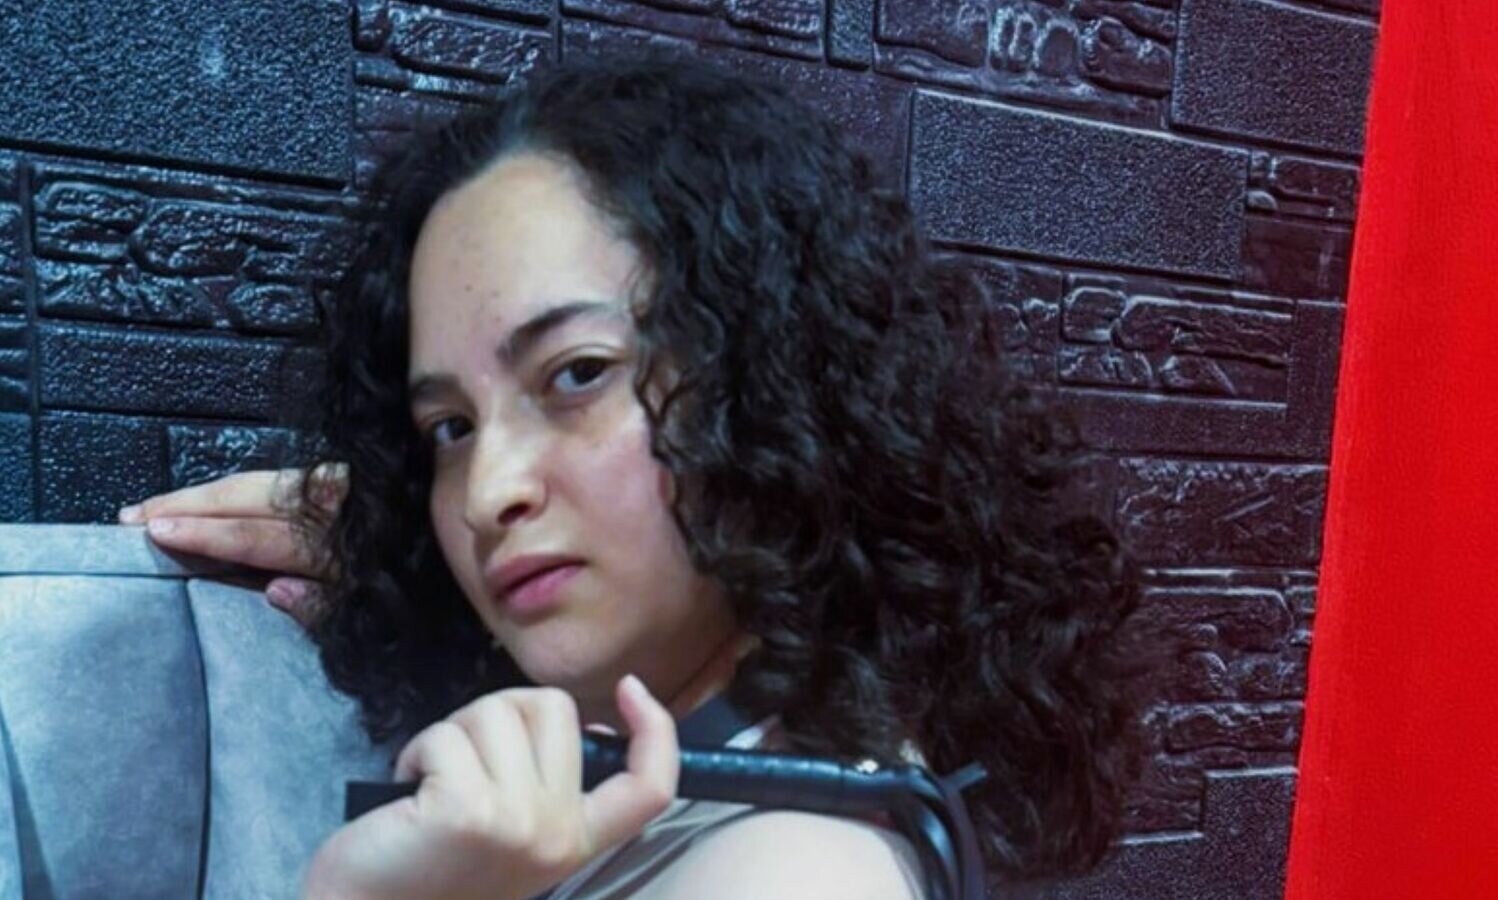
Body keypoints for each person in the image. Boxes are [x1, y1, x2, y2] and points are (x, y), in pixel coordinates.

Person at [121, 53, 1144, 899]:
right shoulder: (755, 758)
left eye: (576, 375)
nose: (488, 493)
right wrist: (386, 553)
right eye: (450, 429)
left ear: (770, 385)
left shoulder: (787, 875)